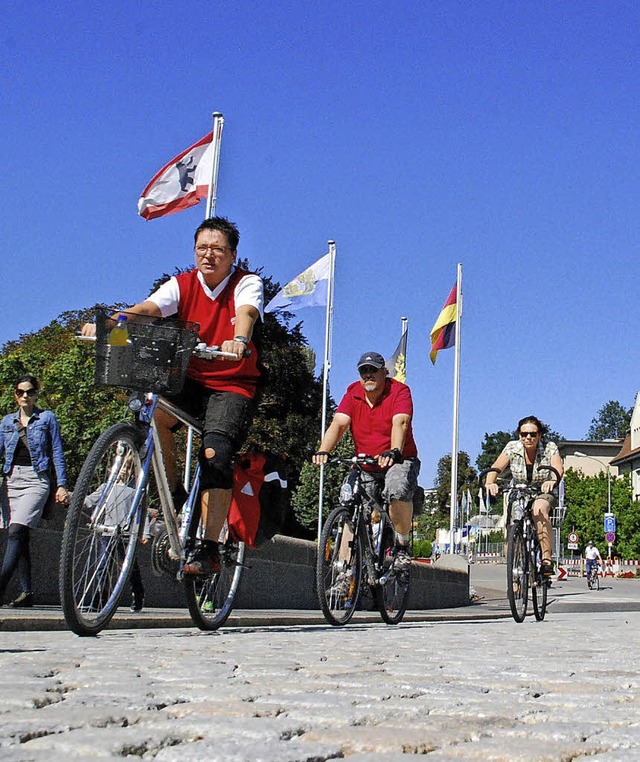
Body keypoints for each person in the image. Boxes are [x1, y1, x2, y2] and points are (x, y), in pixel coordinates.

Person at [82, 217, 263, 576]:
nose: (208, 256)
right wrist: (115, 323)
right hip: (191, 379)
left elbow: (247, 312)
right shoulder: (183, 284)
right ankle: (175, 497)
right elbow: (150, 310)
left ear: (232, 255)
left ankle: (209, 548)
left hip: (232, 383)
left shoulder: (246, 283)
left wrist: (239, 339)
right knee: (156, 413)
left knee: (215, 452)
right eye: (201, 249)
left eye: (217, 249)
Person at [312, 351, 420, 572]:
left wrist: (394, 451)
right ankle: (344, 572)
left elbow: (400, 422)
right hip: (366, 462)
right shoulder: (353, 393)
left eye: (373, 370)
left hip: (397, 459)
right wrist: (323, 450)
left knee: (397, 489)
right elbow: (339, 423)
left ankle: (401, 546)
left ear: (384, 372)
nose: (368, 375)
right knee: (350, 505)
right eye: (364, 371)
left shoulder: (399, 391)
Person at [0, 375, 70, 606]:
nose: (25, 396)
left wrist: (61, 484)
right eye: (20, 392)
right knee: (19, 534)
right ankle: (27, 592)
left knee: (16, 531)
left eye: (29, 392)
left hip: (36, 480)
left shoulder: (47, 418)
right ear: (15, 395)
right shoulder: (7, 422)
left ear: (36, 394)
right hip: (12, 480)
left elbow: (57, 452)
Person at [485, 415, 563, 576]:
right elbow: (496, 468)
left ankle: (546, 560)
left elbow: (558, 468)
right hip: (519, 490)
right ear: (519, 435)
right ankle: (514, 574)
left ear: (540, 435)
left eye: (533, 434)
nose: (528, 438)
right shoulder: (512, 447)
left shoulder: (549, 447)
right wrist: (490, 483)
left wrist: (553, 480)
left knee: (539, 510)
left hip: (543, 490)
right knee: (513, 526)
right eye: (524, 434)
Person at [83, 453, 151, 612]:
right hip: (108, 533)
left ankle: (138, 593)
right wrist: (72, 501)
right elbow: (90, 500)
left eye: (127, 468)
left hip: (126, 535)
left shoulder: (135, 491)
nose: (123, 471)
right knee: (102, 565)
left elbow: (143, 512)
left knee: (128, 567)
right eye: (120, 467)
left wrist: (145, 533)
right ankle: (100, 597)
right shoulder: (107, 487)